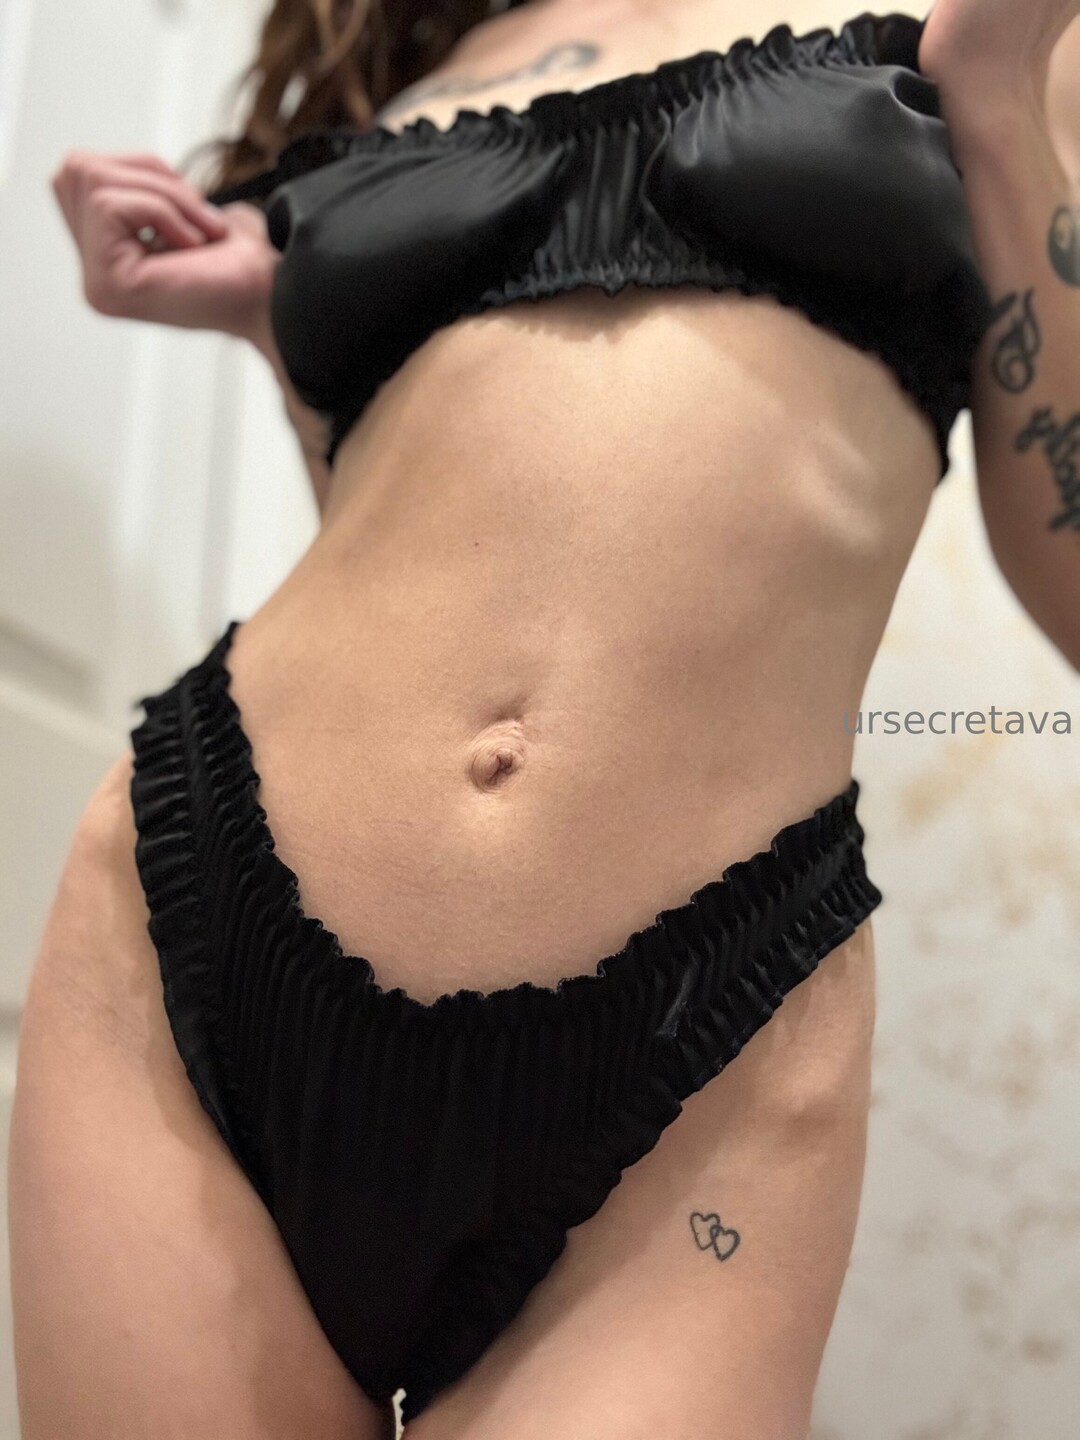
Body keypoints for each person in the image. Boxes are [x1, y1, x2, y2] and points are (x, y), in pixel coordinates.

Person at [10, 0, 1080, 1437]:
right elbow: (411, 524)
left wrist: (996, 89)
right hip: (199, 917)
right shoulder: (424, 69)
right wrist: (277, 322)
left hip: (700, 1025)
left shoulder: (1006, 30)